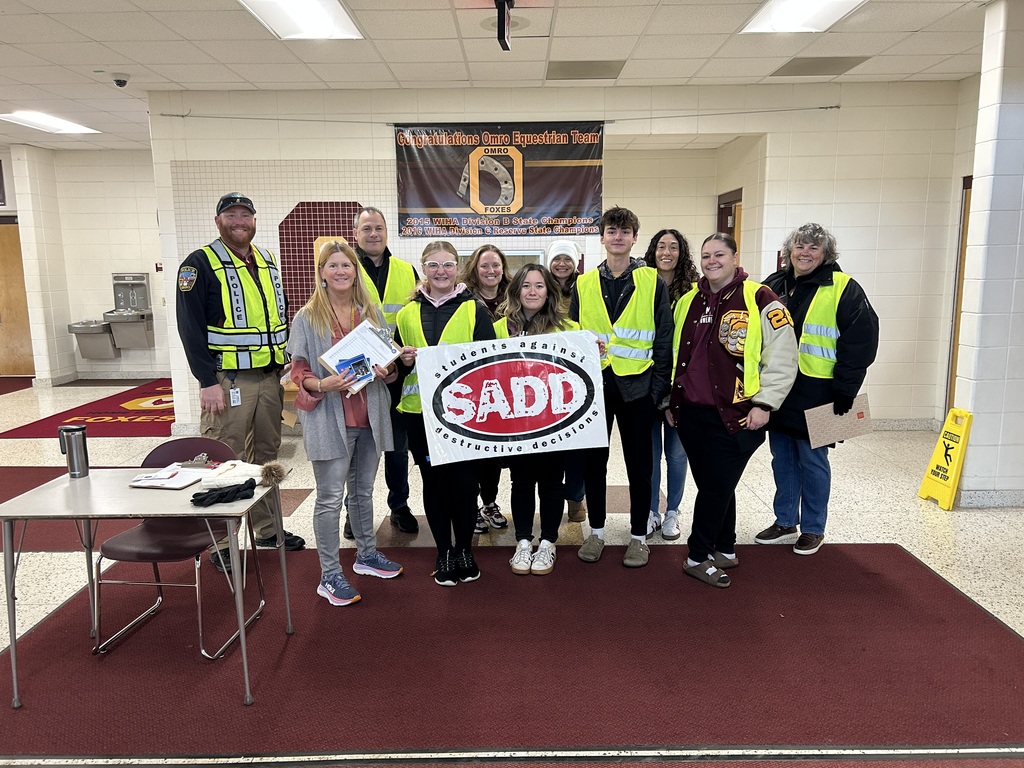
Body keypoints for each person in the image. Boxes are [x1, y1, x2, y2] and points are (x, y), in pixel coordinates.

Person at [176, 192, 305, 574]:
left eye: (245, 215)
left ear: (254, 220)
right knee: (224, 458)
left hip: (268, 376)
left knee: (266, 456)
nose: (239, 221)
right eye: (230, 214)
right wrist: (206, 380)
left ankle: (266, 529)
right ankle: (220, 541)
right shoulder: (199, 264)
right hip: (226, 379)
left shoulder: (266, 260)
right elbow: (190, 327)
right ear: (218, 221)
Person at [669, 232, 797, 588]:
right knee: (715, 484)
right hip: (691, 414)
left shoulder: (761, 298)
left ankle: (696, 555)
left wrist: (765, 404)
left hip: (740, 415)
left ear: (734, 256)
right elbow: (677, 357)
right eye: (706, 255)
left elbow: (784, 357)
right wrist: (671, 401)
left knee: (715, 486)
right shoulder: (688, 301)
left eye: (719, 254)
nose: (712, 261)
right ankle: (723, 547)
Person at [288, 240, 403, 606]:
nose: (340, 271)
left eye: (346, 265)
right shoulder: (307, 317)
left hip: (369, 418)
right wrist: (323, 384)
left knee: (363, 493)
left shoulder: (369, 312)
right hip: (330, 417)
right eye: (333, 265)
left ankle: (366, 556)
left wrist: (388, 371)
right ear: (321, 273)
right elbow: (298, 372)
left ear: (356, 272)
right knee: (329, 499)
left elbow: (388, 365)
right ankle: (330, 575)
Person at [756, 223, 879, 555]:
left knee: (812, 460)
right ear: (789, 251)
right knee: (781, 457)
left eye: (813, 247)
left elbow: (862, 343)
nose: (805, 252)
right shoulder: (773, 284)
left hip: (824, 392)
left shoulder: (845, 288)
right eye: (799, 246)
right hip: (779, 389)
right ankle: (784, 521)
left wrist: (847, 390)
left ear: (826, 254)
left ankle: (813, 527)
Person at [569, 206, 673, 568]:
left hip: (639, 387)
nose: (617, 236)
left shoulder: (652, 282)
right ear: (602, 238)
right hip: (595, 388)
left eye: (625, 231)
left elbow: (663, 339)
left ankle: (638, 537)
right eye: (611, 230)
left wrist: (660, 390)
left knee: (639, 466)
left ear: (633, 238)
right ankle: (596, 533)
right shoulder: (582, 284)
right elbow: (572, 337)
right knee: (594, 464)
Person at [395, 241, 497, 586]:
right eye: (434, 265)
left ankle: (465, 548)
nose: (441, 271)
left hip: (465, 416)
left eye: (449, 265)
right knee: (434, 483)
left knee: (465, 485)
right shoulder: (405, 313)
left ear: (458, 268)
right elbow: (394, 370)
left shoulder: (475, 309)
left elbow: (490, 362)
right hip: (419, 414)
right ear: (423, 268)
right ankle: (443, 551)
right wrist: (402, 361)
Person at [495, 264, 581, 575]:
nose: (533, 292)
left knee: (551, 483)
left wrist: (597, 352)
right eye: (526, 286)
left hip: (553, 423)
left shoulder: (568, 329)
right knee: (521, 482)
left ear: (549, 291)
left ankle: (548, 543)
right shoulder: (499, 329)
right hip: (515, 424)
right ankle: (522, 542)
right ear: (516, 290)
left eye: (539, 286)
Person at [345, 207, 420, 537]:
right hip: (357, 373)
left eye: (378, 228)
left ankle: (399, 505)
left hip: (397, 371)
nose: (373, 234)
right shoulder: (344, 270)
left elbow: (416, 317)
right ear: (356, 235)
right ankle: (354, 512)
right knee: (357, 445)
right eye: (366, 229)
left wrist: (395, 363)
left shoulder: (407, 270)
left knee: (397, 446)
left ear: (386, 232)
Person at [643, 229, 699, 542]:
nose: (667, 252)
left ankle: (673, 512)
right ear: (652, 251)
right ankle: (651, 510)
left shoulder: (694, 289)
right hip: (647, 380)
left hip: (682, 383)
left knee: (677, 454)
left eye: (674, 247)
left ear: (681, 252)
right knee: (650, 455)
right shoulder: (641, 283)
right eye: (661, 246)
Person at [458, 244, 511, 534]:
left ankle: (489, 503)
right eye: (484, 266)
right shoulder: (463, 298)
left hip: (505, 388)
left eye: (496, 265)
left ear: (503, 269)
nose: (491, 271)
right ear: (475, 270)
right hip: (473, 387)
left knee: (494, 453)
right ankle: (471, 505)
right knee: (473, 451)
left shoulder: (514, 296)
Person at [546, 239, 587, 524]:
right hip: (545, 374)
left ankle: (575, 498)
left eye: (567, 259)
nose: (562, 264)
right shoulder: (539, 285)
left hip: (576, 370)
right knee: (551, 443)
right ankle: (550, 498)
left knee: (576, 444)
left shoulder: (585, 288)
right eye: (557, 259)